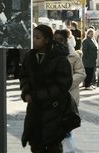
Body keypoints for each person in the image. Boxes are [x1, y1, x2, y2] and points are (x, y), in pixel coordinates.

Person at [19, 24, 73, 153]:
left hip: (53, 109)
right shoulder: (29, 56)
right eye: (33, 37)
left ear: (47, 39)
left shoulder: (59, 58)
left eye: (38, 38)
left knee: (53, 146)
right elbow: (24, 76)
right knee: (35, 144)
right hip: (34, 110)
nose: (34, 40)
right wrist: (26, 91)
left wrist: (38, 95)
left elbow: (63, 84)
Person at [53, 29, 86, 153]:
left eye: (60, 40)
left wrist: (66, 83)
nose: (57, 42)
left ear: (66, 41)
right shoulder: (48, 54)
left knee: (65, 127)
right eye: (55, 39)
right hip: (52, 97)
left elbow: (81, 73)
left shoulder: (73, 55)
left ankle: (69, 151)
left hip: (68, 97)